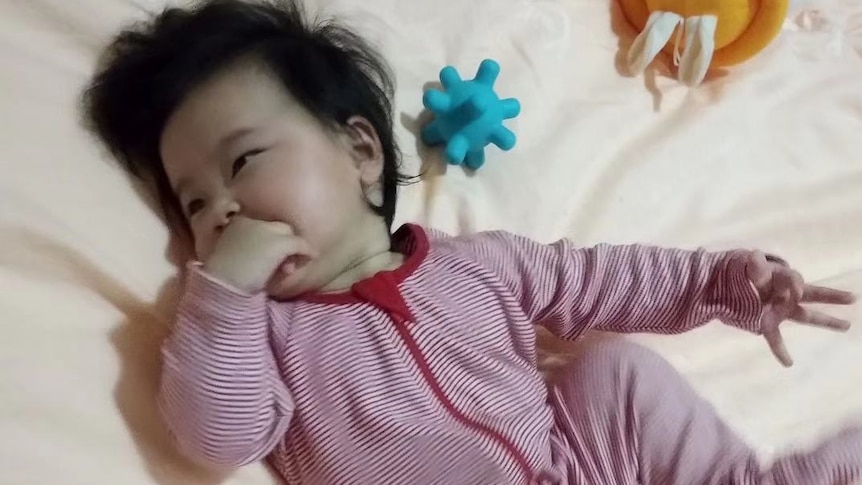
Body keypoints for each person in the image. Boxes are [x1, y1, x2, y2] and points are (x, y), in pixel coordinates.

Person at [81, 0, 862, 483]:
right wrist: (221, 300)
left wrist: (724, 282)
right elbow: (215, 437)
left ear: (361, 153)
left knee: (611, 373)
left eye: (244, 161)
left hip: (583, 465)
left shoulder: (473, 263)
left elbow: (599, 280)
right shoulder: (266, 337)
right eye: (195, 204)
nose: (222, 212)